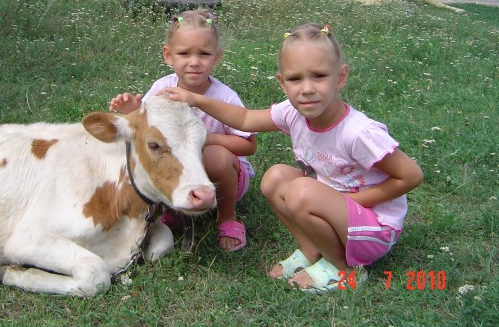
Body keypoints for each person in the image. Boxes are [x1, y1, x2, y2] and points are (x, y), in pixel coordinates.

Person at [159, 23, 423, 292]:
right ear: (282, 83)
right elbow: (246, 118)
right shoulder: (292, 112)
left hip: (374, 230)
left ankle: (344, 269)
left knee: (300, 191)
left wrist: (351, 201)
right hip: (336, 211)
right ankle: (312, 250)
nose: (307, 89)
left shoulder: (358, 133)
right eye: (295, 79)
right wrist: (195, 99)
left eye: (319, 76)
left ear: (340, 77)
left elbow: (411, 175)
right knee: (275, 178)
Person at [109, 9, 257, 252]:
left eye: (204, 54)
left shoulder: (225, 97)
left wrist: (208, 139)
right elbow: (148, 130)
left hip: (223, 177)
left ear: (216, 57)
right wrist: (133, 110)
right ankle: (175, 208)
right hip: (179, 173)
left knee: (214, 157)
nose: (194, 61)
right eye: (184, 53)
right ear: (168, 55)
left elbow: (249, 145)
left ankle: (227, 217)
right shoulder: (162, 88)